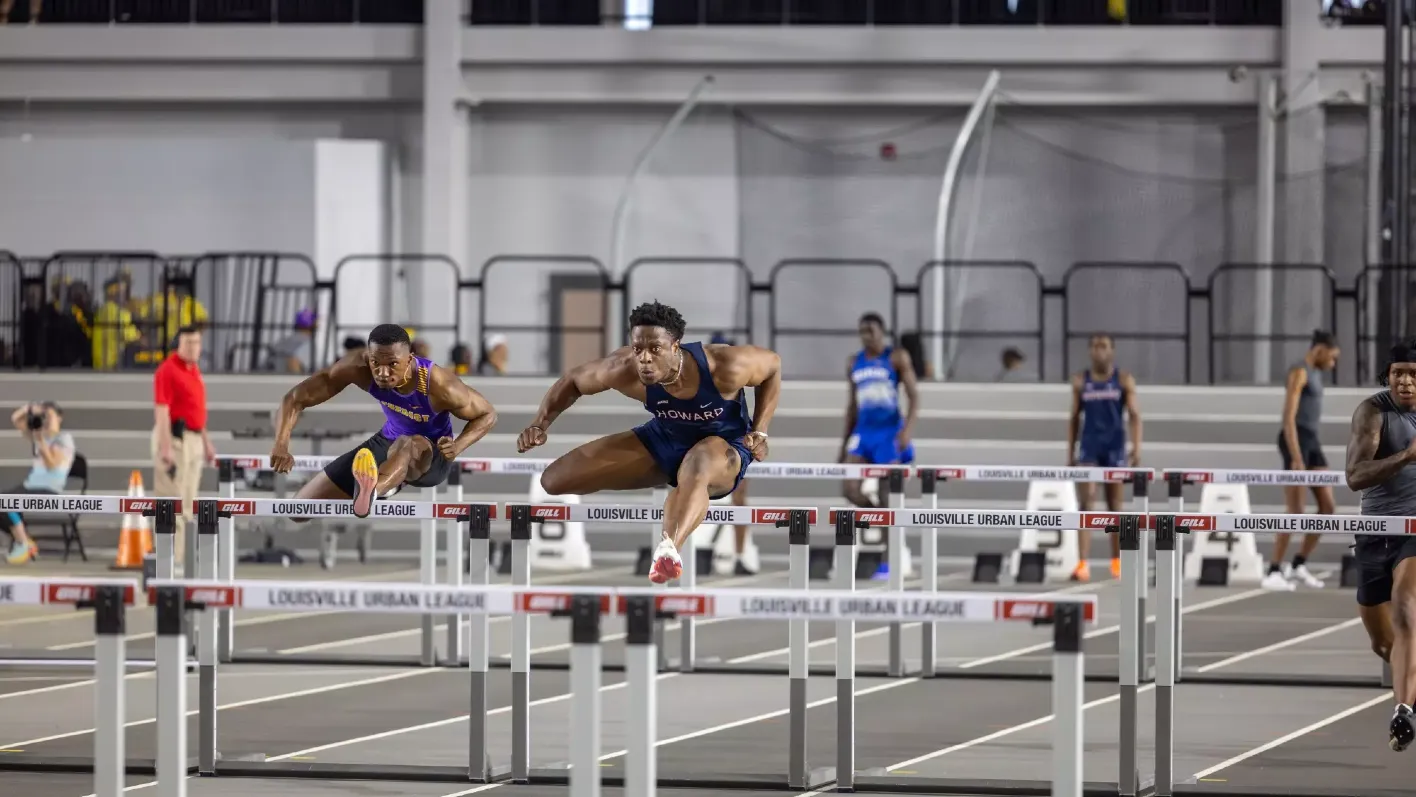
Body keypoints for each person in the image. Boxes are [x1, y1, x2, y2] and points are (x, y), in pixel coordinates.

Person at [517, 301, 779, 584]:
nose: (644, 359)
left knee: (699, 460)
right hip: (665, 439)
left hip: (722, 448)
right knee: (555, 480)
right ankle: (682, 484)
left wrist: (760, 430)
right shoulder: (624, 369)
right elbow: (573, 381)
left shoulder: (723, 366)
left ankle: (669, 550)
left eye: (655, 349)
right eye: (637, 348)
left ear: (675, 346)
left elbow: (773, 366)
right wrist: (539, 424)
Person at [269, 324, 497, 519]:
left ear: (409, 359)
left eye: (392, 365)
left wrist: (457, 446)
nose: (383, 373)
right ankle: (376, 486)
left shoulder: (439, 384)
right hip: (388, 440)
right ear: (368, 356)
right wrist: (281, 443)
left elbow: (488, 414)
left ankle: (373, 490)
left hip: (431, 454)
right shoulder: (357, 367)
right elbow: (294, 399)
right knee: (299, 508)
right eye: (376, 363)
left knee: (407, 444)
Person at [1344, 339, 1416, 751]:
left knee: (1407, 608)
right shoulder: (1372, 413)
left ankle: (1402, 712)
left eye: (1413, 374)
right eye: (1398, 374)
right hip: (1375, 530)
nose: (1405, 381)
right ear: (1387, 377)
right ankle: (1410, 687)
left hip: (1414, 530)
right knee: (1384, 642)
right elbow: (1354, 476)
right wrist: (1406, 456)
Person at [1263, 330, 1340, 591]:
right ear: (1320, 350)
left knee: (1328, 506)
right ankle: (1273, 569)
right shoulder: (1300, 372)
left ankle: (1298, 564)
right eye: (1332, 357)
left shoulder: (1317, 373)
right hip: (1295, 440)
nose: (1333, 363)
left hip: (1312, 441)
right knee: (1295, 511)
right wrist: (1295, 456)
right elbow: (1288, 417)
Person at [1067, 333, 1142, 582]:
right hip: (1089, 448)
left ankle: (1117, 561)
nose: (1099, 351)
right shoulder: (1081, 381)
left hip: (1114, 448)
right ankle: (1082, 563)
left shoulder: (1123, 379)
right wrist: (1070, 452)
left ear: (1112, 351)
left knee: (1115, 507)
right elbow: (1074, 417)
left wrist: (1137, 447)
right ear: (1089, 351)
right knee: (1086, 505)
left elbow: (1134, 414)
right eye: (1095, 346)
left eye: (1104, 346)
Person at [839, 312, 918, 508]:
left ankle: (888, 532)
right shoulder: (854, 362)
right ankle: (874, 515)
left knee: (887, 496)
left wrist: (907, 430)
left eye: (870, 331)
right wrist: (843, 443)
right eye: (862, 332)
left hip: (888, 432)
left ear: (881, 332)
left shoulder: (896, 357)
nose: (866, 336)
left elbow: (914, 396)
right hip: (864, 432)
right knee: (850, 490)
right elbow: (852, 405)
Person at [153, 326, 216, 559]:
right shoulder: (167, 370)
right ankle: (168, 559)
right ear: (178, 344)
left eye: (197, 343)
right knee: (171, 502)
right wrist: (165, 447)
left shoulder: (194, 371)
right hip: (175, 438)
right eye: (188, 343)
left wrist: (207, 442)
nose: (193, 348)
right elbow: (161, 410)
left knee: (189, 503)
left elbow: (196, 412)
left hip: (195, 438)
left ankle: (183, 557)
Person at [1, 402, 74, 564]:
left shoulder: (64, 440)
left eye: (50, 416)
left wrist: (40, 441)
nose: (46, 420)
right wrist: (29, 409)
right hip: (29, 486)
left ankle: (24, 543)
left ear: (60, 418)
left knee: (7, 501)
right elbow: (15, 419)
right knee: (1, 502)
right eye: (44, 416)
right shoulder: (40, 435)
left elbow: (52, 464)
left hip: (48, 489)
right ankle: (24, 540)